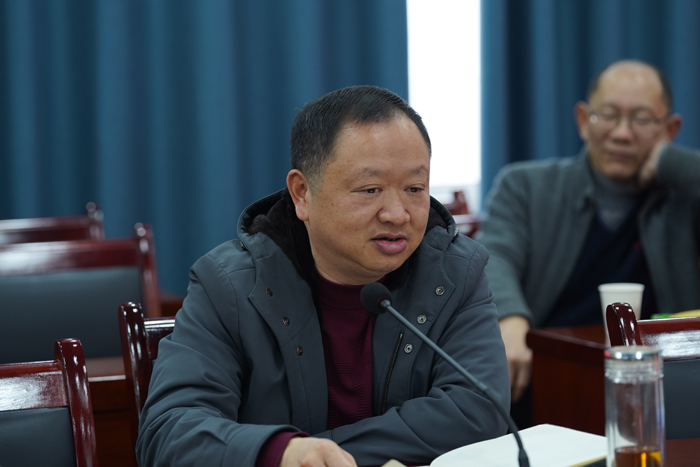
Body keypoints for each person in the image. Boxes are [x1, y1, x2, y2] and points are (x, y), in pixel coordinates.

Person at [136, 85, 510, 467]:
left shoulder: (455, 274)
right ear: (302, 194)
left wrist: (313, 453)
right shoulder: (228, 286)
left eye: (415, 188)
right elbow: (169, 433)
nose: (398, 214)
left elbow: (480, 412)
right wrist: (280, 452)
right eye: (370, 189)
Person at [478, 59, 700, 425]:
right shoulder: (526, 186)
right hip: (545, 382)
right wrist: (510, 319)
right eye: (607, 115)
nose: (622, 134)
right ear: (583, 120)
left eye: (642, 119)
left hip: (658, 394)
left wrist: (674, 163)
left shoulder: (684, 199)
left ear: (670, 129)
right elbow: (493, 255)